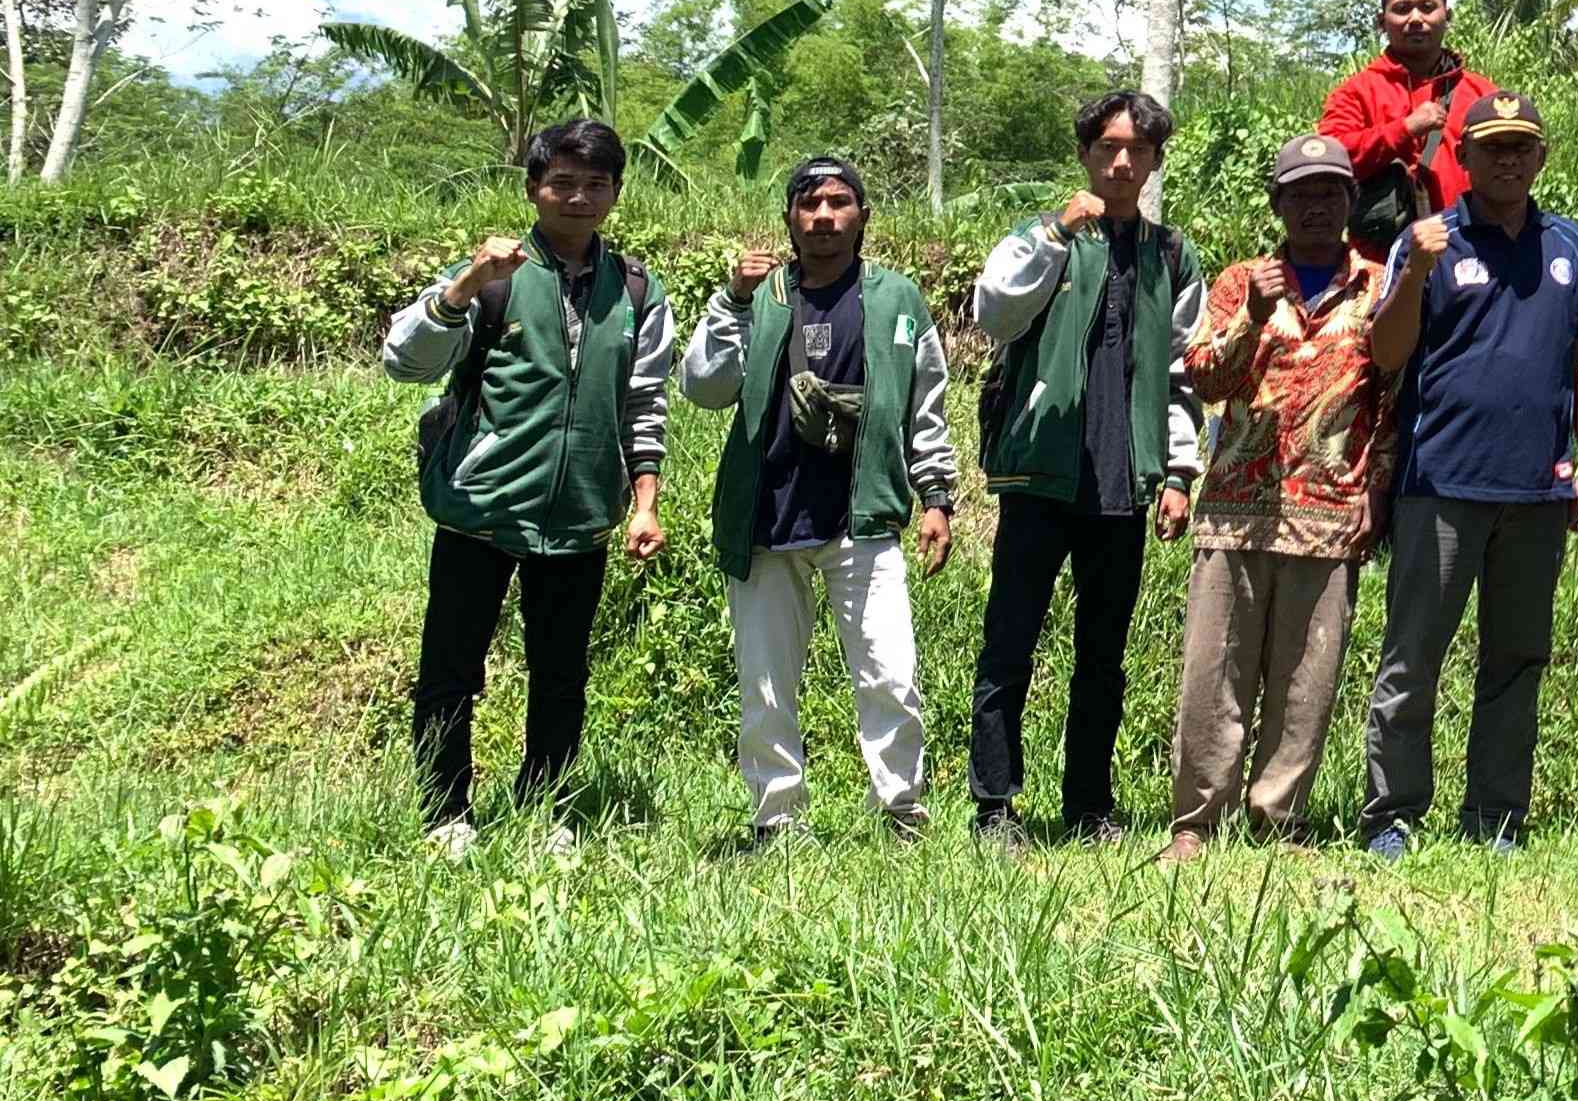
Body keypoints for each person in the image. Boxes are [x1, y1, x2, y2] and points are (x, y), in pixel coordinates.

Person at [382, 118, 673, 858]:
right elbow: (404, 362)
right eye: (562, 183)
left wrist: (644, 502)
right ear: (533, 189)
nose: (578, 198)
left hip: (580, 513)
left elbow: (644, 402)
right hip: (481, 507)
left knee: (562, 672)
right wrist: (466, 284)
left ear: (615, 192)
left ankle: (548, 809)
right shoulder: (492, 276)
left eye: (595, 184)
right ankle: (445, 813)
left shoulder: (635, 288)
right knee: (451, 669)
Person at [1356, 92, 1578, 855]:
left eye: (1520, 146)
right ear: (1461, 157)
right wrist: (1416, 271)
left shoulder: (1570, 247)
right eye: (1491, 146)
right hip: (1440, 485)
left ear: (1540, 157)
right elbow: (1387, 353)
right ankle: (1392, 814)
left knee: (1517, 659)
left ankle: (1496, 815)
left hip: (1536, 491)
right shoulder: (1429, 240)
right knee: (1413, 656)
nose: (1506, 159)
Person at [677, 154, 953, 848]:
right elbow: (703, 388)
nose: (824, 216)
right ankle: (777, 818)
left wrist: (937, 496)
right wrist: (730, 303)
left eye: (839, 202)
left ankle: (901, 813)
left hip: (864, 515)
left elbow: (927, 407)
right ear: (789, 219)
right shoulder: (759, 297)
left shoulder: (896, 299)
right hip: (766, 517)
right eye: (809, 204)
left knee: (890, 673)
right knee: (766, 684)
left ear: (862, 215)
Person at [967, 91, 1205, 844]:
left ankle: (1089, 805)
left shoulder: (1171, 254)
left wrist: (1176, 473)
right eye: (1107, 147)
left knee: (1103, 656)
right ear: (1085, 155)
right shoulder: (1043, 235)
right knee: (1010, 641)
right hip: (1041, 476)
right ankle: (994, 806)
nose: (1122, 161)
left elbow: (1181, 371)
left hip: (1123, 480)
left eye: (1138, 149)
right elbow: (993, 314)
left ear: (1157, 159)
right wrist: (1053, 234)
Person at [1161, 133, 1392, 861]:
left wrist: (1377, 491)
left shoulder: (1379, 285)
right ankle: (1196, 821)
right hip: (1236, 504)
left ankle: (1277, 819)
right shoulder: (1241, 282)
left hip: (1330, 507)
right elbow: (1204, 380)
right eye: (1301, 195)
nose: (1316, 207)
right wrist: (1251, 320)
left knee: (1307, 677)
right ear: (1278, 205)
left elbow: (1392, 398)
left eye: (1330, 194)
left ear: (1350, 204)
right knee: (1213, 670)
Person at [1318, 0, 1500, 258]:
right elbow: (1329, 160)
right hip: (1382, 260)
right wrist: (1403, 130)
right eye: (1402, 9)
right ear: (1381, 21)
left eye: (1427, 7)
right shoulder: (1356, 92)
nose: (1416, 18)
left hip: (1472, 254)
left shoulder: (1483, 94)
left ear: (1447, 16)